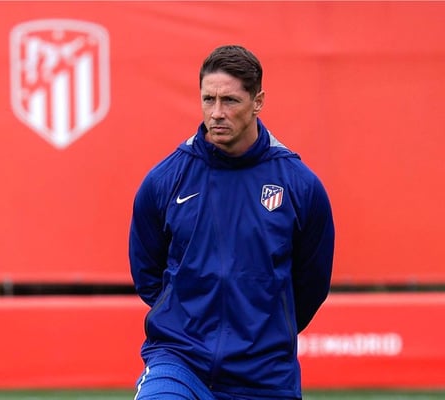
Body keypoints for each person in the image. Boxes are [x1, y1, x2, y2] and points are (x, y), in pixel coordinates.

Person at [128, 45, 335, 400]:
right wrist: (186, 319)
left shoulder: (300, 186)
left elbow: (311, 285)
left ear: (258, 102)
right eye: (208, 99)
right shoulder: (166, 180)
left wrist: (264, 329)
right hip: (179, 360)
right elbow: (147, 272)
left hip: (265, 374)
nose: (217, 113)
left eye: (230, 101)